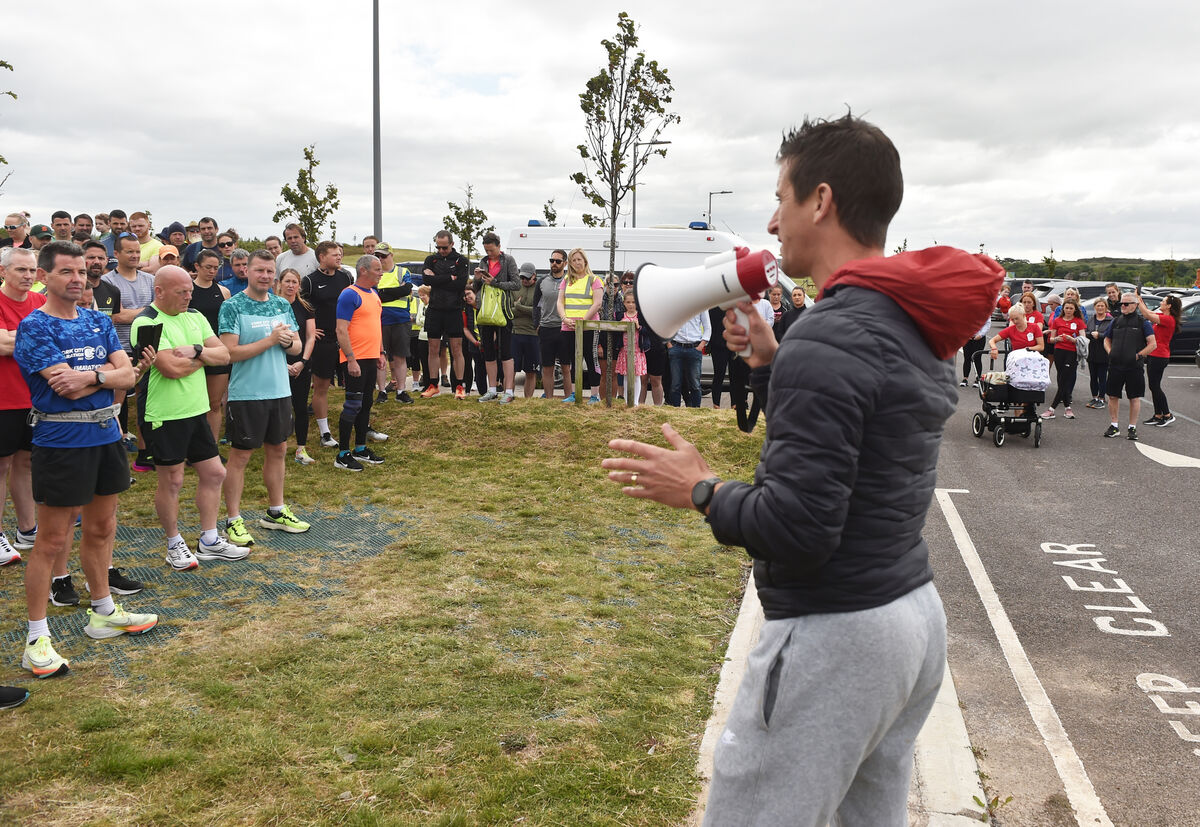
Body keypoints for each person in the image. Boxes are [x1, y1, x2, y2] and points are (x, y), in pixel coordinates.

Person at [602, 114, 1002, 825]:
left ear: (820, 200)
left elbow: (798, 525)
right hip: (909, 618)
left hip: (836, 636)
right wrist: (775, 362)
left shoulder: (833, 332)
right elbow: (867, 418)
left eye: (781, 197)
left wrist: (700, 488)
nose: (772, 218)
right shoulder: (903, 319)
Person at [14, 241, 159, 678]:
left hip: (106, 434)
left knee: (102, 528)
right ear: (45, 276)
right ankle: (36, 639)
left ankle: (103, 612)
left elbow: (127, 376)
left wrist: (92, 376)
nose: (77, 279)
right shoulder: (35, 327)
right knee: (52, 541)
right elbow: (62, 387)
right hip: (61, 441)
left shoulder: (98, 320)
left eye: (81, 271)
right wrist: (104, 377)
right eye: (66, 272)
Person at [130, 267, 246, 571]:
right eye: (181, 291)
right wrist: (205, 357)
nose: (188, 296)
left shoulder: (194, 315)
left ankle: (209, 540)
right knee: (173, 480)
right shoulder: (146, 322)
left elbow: (224, 355)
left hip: (196, 411)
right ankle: (173, 543)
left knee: (214, 473)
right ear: (159, 291)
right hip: (164, 414)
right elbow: (171, 369)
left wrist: (195, 351)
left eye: (189, 291)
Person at [218, 250, 311, 546]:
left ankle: (275, 511)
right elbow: (229, 352)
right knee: (241, 456)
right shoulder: (233, 306)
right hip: (247, 393)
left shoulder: (282, 304)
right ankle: (233, 520)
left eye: (270, 272)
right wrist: (270, 340)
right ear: (247, 271)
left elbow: (296, 346)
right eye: (260, 270)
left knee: (279, 450)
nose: (266, 276)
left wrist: (288, 342)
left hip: (279, 390)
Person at [0, 247, 44, 563]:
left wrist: (15, 339)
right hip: (3, 397)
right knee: (1, 465)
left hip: (34, 397)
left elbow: (58, 336)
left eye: (31, 270)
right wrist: (36, 339)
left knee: (26, 463)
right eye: (20, 270)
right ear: (3, 271)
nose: (28, 276)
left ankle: (27, 529)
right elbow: (2, 345)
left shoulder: (41, 302)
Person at [103, 233, 157, 470]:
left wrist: (134, 312)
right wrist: (146, 311)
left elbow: (158, 311)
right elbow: (116, 316)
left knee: (145, 398)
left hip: (147, 346)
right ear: (116, 254)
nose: (135, 255)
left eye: (137, 251)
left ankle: (145, 449)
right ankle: (118, 439)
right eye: (129, 252)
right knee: (119, 400)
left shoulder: (150, 279)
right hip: (118, 348)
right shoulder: (108, 282)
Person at [331, 255, 388, 471]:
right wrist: (351, 359)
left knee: (366, 404)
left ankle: (361, 448)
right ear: (363, 270)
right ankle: (343, 454)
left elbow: (376, 326)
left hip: (371, 357)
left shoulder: (374, 294)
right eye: (377, 269)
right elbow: (340, 329)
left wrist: (381, 352)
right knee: (352, 405)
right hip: (355, 359)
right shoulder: (349, 295)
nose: (380, 273)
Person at [301, 241, 353, 447]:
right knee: (321, 386)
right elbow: (301, 307)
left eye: (340, 254)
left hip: (345, 339)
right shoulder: (310, 281)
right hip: (324, 341)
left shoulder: (346, 277)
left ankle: (358, 425)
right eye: (334, 254)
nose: (339, 257)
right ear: (321, 257)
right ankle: (325, 433)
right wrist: (311, 331)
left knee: (352, 384)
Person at [188, 249, 232, 442]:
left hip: (216, 351)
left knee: (214, 404)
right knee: (193, 403)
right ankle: (193, 445)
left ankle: (211, 447)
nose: (212, 271)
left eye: (216, 268)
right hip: (191, 350)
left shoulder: (223, 291)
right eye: (208, 267)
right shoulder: (187, 290)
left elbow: (229, 323)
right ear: (197, 267)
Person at [472, 232, 520, 403]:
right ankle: (491, 389)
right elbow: (476, 287)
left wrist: (495, 282)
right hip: (485, 312)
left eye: (491, 250)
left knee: (506, 352)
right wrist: (477, 279)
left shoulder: (509, 260)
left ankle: (508, 390)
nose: (489, 253)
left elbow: (516, 284)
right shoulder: (483, 261)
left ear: (499, 246)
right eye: (486, 250)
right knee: (488, 352)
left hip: (503, 311)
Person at [421, 230, 470, 399]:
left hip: (454, 309)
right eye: (438, 247)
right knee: (433, 348)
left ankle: (459, 386)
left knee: (456, 349)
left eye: (445, 248)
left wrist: (437, 279)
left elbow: (461, 285)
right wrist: (449, 277)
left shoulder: (461, 260)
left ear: (452, 244)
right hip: (435, 309)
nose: (441, 251)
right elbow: (426, 281)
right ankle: (433, 384)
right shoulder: (430, 259)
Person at [276, 268, 317, 465]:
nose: (291, 285)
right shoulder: (271, 306)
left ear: (299, 285)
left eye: (294, 282)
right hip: (276, 364)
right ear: (280, 283)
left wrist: (303, 362)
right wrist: (283, 365)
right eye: (287, 281)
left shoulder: (306, 307)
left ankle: (301, 448)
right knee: (279, 407)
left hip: (301, 363)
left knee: (300, 406)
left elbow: (310, 337)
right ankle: (277, 446)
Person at [1103, 292, 1156, 441]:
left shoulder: (1143, 323)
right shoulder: (1115, 321)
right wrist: (1110, 352)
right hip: (1115, 365)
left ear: (1135, 305)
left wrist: (1138, 356)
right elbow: (1106, 339)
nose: (1123, 306)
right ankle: (1114, 425)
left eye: (1126, 304)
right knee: (1113, 395)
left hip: (1134, 366)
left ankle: (1132, 427)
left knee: (1134, 397)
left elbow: (1153, 344)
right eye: (1121, 304)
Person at [555, 247, 603, 404]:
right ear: (570, 263)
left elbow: (597, 303)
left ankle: (595, 396)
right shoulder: (566, 280)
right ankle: (575, 394)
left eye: (579, 259)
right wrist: (564, 318)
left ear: (585, 261)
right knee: (574, 361)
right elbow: (560, 302)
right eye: (573, 260)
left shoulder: (594, 280)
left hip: (588, 327)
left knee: (591, 359)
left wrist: (582, 321)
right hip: (569, 327)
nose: (577, 263)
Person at [374, 242, 419, 404]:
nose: (380, 259)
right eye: (377, 256)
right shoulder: (374, 273)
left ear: (391, 255)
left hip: (400, 320)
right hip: (379, 320)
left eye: (383, 256)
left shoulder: (402, 271)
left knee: (400, 357)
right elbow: (374, 294)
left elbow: (406, 289)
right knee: (380, 357)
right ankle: (381, 391)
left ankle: (401, 390)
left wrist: (384, 293)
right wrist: (392, 292)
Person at [1137, 292, 1181, 427]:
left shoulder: (1169, 320)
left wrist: (1137, 299)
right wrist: (1140, 299)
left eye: (1163, 301)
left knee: (1155, 386)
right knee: (1153, 385)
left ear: (1168, 306)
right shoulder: (1163, 316)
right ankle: (1158, 415)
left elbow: (1146, 315)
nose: (1161, 302)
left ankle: (1167, 414)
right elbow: (1148, 311)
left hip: (1160, 356)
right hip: (1154, 355)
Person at [1042, 297, 1086, 419]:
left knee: (1064, 379)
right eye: (1066, 308)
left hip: (1071, 353)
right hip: (1059, 351)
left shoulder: (1079, 321)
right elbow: (1050, 339)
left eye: (1071, 308)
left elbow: (1083, 339)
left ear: (1075, 309)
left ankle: (1051, 409)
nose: (1068, 310)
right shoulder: (1057, 320)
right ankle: (1068, 408)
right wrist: (1056, 339)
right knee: (1062, 380)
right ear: (1063, 308)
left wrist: (1073, 339)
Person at [534, 250, 569, 399]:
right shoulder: (542, 281)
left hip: (564, 328)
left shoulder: (569, 281)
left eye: (558, 261)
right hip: (546, 328)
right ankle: (549, 399)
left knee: (566, 367)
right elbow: (535, 304)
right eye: (552, 260)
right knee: (547, 367)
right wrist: (536, 324)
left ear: (565, 263)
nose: (554, 263)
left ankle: (569, 399)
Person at [666, 309, 711, 408]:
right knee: (675, 384)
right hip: (676, 346)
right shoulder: (674, 304)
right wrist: (669, 343)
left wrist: (701, 345)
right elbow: (666, 324)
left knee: (695, 384)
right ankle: (676, 411)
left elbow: (707, 327)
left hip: (694, 347)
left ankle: (695, 411)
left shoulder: (701, 305)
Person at [511, 262, 541, 398]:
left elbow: (538, 312)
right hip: (515, 333)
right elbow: (509, 311)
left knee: (531, 371)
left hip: (533, 334)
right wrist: (524, 309)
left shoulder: (539, 289)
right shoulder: (515, 287)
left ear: (534, 276)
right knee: (511, 370)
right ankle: (509, 396)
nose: (524, 280)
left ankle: (528, 400)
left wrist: (519, 307)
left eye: (527, 278)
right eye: (522, 277)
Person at [614, 289, 647, 405]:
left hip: (637, 350)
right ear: (624, 303)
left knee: (637, 376)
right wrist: (620, 326)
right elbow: (615, 331)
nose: (631, 305)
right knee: (626, 376)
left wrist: (639, 327)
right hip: (625, 350)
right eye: (628, 302)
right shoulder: (620, 315)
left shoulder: (641, 316)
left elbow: (647, 332)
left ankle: (636, 402)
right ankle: (628, 401)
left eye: (633, 302)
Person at [1085, 298, 1112, 408]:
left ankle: (1101, 398)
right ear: (1094, 307)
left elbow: (1112, 334)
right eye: (1098, 306)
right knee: (1093, 376)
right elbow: (1086, 331)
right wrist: (1090, 334)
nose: (1100, 308)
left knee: (1102, 376)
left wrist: (1100, 335)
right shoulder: (1091, 319)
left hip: (1104, 353)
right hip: (1092, 352)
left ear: (1106, 307)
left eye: (1102, 306)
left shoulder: (1110, 320)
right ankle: (1094, 397)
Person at [959, 316, 990, 388]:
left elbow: (987, 324)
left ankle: (978, 379)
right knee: (967, 357)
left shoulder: (985, 310)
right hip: (967, 337)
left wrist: (981, 334)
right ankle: (965, 379)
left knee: (977, 358)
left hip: (979, 337)